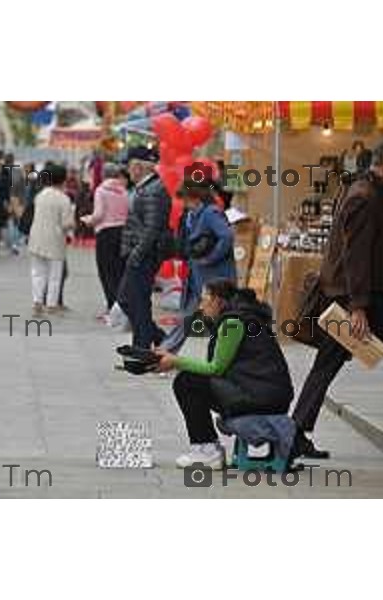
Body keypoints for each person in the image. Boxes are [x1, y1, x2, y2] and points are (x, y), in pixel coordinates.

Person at [292, 135, 383, 456]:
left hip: (351, 294)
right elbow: (355, 255)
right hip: (360, 296)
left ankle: (293, 435)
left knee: (327, 364)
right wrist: (358, 307)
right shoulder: (364, 194)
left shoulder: (363, 186)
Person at [156, 280, 294, 469]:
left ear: (218, 301)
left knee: (188, 382)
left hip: (261, 396)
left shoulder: (232, 323)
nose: (200, 306)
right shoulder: (241, 317)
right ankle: (207, 447)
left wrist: (175, 362)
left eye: (204, 300)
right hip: (266, 393)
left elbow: (216, 369)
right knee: (192, 380)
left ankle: (207, 450)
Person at [161, 177, 236, 353]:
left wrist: (211, 258)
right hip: (197, 277)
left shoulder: (210, 213)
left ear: (195, 197)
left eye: (186, 199)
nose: (184, 203)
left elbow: (227, 236)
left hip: (215, 278)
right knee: (188, 317)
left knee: (220, 318)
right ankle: (165, 351)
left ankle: (167, 351)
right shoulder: (192, 215)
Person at [118, 146, 172, 349]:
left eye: (129, 166)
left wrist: (136, 254)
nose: (127, 171)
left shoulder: (154, 190)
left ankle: (143, 347)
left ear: (139, 167)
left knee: (133, 301)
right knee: (131, 300)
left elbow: (152, 229)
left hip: (143, 255)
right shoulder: (145, 188)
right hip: (138, 253)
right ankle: (155, 339)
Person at [81, 163, 129, 317]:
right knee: (119, 271)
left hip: (106, 233)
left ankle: (111, 307)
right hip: (122, 232)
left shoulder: (101, 190)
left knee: (106, 271)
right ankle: (121, 306)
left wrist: (89, 220)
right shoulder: (124, 191)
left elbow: (99, 214)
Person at [28, 163, 75, 315]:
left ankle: (37, 302)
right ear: (63, 180)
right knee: (55, 275)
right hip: (55, 240)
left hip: (36, 238)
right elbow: (67, 224)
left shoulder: (40, 195)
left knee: (38, 273)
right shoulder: (64, 199)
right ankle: (51, 304)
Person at [4, 153, 25, 255]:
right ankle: (15, 243)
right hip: (17, 198)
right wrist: (22, 201)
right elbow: (22, 188)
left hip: (6, 199)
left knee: (8, 221)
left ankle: (10, 242)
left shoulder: (1, 172)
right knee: (17, 221)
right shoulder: (18, 172)